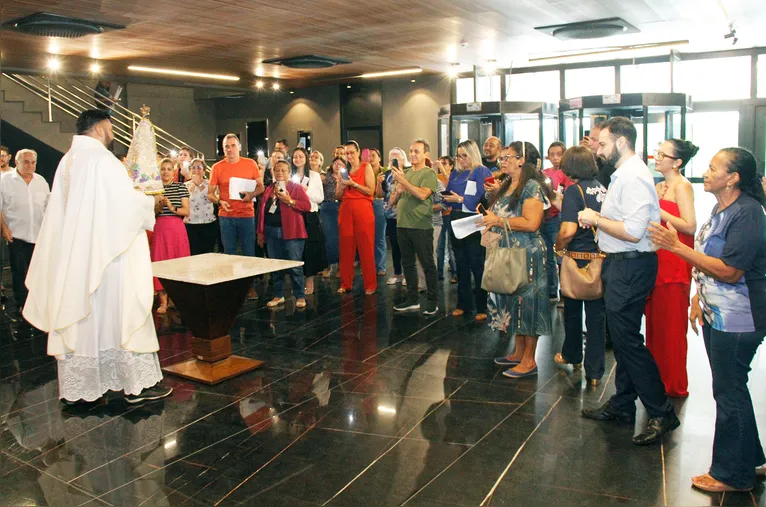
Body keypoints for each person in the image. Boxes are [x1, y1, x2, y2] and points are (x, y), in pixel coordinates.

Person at [23, 109, 172, 405]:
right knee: (119, 314)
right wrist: (149, 201)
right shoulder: (103, 160)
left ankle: (87, 388)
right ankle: (134, 384)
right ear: (102, 128)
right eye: (112, 126)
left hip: (79, 257)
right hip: (108, 257)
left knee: (85, 317)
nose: (113, 132)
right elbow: (123, 206)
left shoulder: (67, 161)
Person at [648, 147, 766, 493]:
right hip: (720, 312)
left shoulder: (747, 214)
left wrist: (676, 247)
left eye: (715, 168)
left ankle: (733, 474)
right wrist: (699, 296)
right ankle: (751, 459)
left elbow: (731, 271)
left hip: (740, 318)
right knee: (732, 389)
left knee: (729, 392)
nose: (708, 172)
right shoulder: (722, 208)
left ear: (733, 179)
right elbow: (714, 262)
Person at [579, 117, 679, 446]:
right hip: (623, 265)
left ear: (621, 142)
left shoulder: (633, 177)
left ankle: (662, 412)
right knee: (624, 338)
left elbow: (634, 232)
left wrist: (596, 218)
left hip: (629, 266)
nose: (599, 149)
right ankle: (623, 404)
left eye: (604, 144)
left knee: (627, 343)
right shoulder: (625, 174)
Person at [482, 145, 551, 378]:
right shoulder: (506, 184)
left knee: (529, 304)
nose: (502, 161)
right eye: (501, 158)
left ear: (521, 160)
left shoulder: (532, 187)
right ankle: (518, 352)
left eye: (507, 157)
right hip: (508, 251)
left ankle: (530, 360)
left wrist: (498, 220)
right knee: (513, 302)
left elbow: (531, 223)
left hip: (527, 252)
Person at [645, 139, 699, 398]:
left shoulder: (682, 186)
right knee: (655, 325)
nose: (657, 157)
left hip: (674, 262)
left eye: (662, 154)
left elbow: (689, 225)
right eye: (657, 152)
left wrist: (658, 210)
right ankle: (656, 379)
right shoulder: (660, 185)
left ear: (677, 162)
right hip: (656, 259)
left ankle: (673, 383)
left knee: (672, 328)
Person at [552, 146, 607, 386]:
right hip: (600, 258)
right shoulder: (603, 189)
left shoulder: (575, 191)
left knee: (573, 310)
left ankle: (573, 355)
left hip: (577, 257)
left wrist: (558, 247)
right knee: (597, 318)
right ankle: (595, 372)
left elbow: (568, 230)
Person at [208, 134, 263, 299]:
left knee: (249, 253)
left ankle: (249, 287)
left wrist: (251, 194)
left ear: (239, 147)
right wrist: (219, 201)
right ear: (223, 149)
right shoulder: (217, 167)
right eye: (226, 146)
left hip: (246, 215)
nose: (230, 149)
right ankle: (232, 287)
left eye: (232, 145)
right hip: (226, 216)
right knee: (229, 252)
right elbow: (210, 193)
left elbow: (261, 187)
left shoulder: (250, 164)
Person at [443, 140, 493, 320]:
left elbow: (480, 198)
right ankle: (463, 304)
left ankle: (482, 306)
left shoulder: (481, 171)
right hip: (456, 218)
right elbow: (447, 193)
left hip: (473, 220)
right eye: (459, 155)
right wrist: (451, 199)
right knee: (460, 264)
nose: (462, 159)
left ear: (473, 154)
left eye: (465, 155)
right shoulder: (455, 173)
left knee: (477, 264)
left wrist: (460, 199)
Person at [390, 139, 439, 315]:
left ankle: (433, 300)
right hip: (402, 225)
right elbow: (391, 202)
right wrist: (398, 191)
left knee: (427, 264)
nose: (412, 154)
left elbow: (422, 194)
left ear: (426, 154)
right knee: (408, 263)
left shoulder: (429, 173)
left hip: (421, 226)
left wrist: (405, 183)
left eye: (416, 151)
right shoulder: (407, 172)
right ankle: (412, 299)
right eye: (410, 151)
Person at [0, 149, 50, 322]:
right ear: (17, 162)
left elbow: (48, 206)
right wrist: (4, 228)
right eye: (26, 162)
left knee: (39, 272)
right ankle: (22, 305)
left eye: (33, 162)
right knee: (19, 272)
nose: (30, 165)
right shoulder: (5, 181)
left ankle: (38, 305)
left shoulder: (41, 181)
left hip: (39, 236)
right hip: (17, 235)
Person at [257, 160, 312, 309]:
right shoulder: (269, 189)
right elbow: (262, 212)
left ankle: (300, 295)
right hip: (271, 231)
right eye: (277, 170)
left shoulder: (296, 188)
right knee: (276, 265)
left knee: (294, 265)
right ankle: (278, 294)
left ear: (289, 173)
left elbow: (307, 206)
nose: (280, 173)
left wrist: (291, 201)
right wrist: (260, 232)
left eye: (283, 170)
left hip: (292, 232)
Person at [336, 141, 377, 295]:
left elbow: (371, 190)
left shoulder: (366, 167)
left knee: (366, 246)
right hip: (346, 209)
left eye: (352, 152)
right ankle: (346, 283)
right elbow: (338, 195)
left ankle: (370, 284)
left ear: (358, 152)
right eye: (346, 153)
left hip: (363, 209)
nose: (349, 156)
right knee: (346, 247)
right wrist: (341, 185)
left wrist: (354, 184)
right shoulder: (343, 171)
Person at [151, 158, 191, 314]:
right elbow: (150, 213)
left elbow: (186, 211)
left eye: (168, 169)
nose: (165, 172)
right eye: (163, 169)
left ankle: (176, 298)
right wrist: (158, 207)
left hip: (176, 229)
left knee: (177, 262)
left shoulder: (180, 187)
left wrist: (170, 206)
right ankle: (163, 300)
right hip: (160, 229)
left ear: (174, 170)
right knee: (160, 261)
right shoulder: (154, 189)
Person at [292, 147, 326, 295]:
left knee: (310, 250)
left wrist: (306, 191)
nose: (298, 159)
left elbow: (320, 198)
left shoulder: (314, 175)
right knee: (295, 250)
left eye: (301, 156)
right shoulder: (290, 175)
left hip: (309, 215)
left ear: (306, 159)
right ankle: (297, 282)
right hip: (294, 214)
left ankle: (309, 281)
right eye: (295, 157)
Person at [541, 141, 572, 301]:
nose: (555, 158)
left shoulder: (568, 174)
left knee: (560, 256)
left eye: (559, 154)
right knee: (547, 257)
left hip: (558, 217)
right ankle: (551, 290)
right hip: (544, 217)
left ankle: (564, 292)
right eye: (552, 154)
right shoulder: (544, 173)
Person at [383, 148, 408, 285]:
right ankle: (397, 273)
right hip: (390, 213)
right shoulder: (387, 174)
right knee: (394, 244)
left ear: (403, 159)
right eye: (391, 158)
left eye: (397, 158)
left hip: (405, 214)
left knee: (405, 245)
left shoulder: (409, 172)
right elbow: (383, 193)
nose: (394, 161)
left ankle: (407, 274)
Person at [184, 158, 217, 255]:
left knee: (207, 254)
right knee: (193, 253)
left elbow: (212, 198)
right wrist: (194, 184)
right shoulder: (186, 185)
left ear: (204, 170)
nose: (196, 170)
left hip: (207, 223)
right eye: (193, 168)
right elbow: (185, 199)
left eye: (199, 168)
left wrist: (200, 185)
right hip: (190, 224)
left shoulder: (211, 184)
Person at [320, 156, 342, 278]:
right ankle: (328, 265)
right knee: (329, 238)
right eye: (336, 163)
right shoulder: (325, 177)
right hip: (328, 207)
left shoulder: (346, 177)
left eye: (340, 163)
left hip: (341, 207)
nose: (338, 165)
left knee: (341, 238)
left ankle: (340, 266)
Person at [436, 156, 457, 283]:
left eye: (444, 163)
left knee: (451, 245)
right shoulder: (437, 178)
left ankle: (455, 273)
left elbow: (448, 189)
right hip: (440, 214)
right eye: (440, 162)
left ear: (451, 166)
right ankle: (439, 273)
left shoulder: (453, 176)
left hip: (451, 213)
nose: (441, 165)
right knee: (440, 245)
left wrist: (443, 171)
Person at [369, 149, 388, 276]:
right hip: (367, 203)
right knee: (368, 236)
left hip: (380, 203)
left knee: (379, 236)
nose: (370, 158)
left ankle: (381, 266)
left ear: (379, 158)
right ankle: (369, 265)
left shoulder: (386, 171)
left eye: (373, 156)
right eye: (369, 156)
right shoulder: (365, 170)